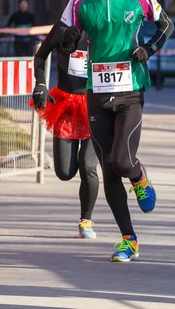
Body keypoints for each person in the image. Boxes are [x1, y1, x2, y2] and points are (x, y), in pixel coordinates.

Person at [59, 0, 174, 262]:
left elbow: (164, 25)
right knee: (109, 168)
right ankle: (129, 239)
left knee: (123, 161)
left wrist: (149, 49)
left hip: (131, 91)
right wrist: (68, 42)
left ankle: (139, 177)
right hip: (96, 92)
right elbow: (67, 34)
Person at [30, 15, 99, 240]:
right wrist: (40, 83)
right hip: (66, 105)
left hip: (95, 106)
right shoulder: (61, 27)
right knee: (65, 172)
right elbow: (41, 54)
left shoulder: (104, 26)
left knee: (88, 166)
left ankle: (86, 220)